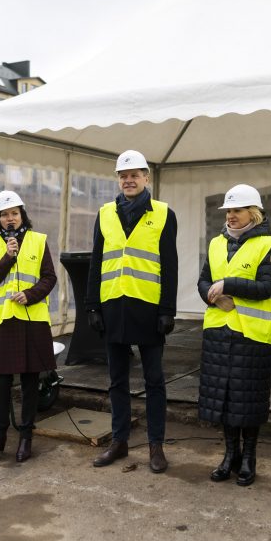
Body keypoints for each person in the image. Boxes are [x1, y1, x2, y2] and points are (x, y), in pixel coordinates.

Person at [85, 149, 178, 473]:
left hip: (148, 310)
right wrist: (92, 305)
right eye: (123, 175)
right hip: (113, 308)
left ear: (146, 177)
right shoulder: (105, 213)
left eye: (135, 174)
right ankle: (119, 442)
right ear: (118, 179)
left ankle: (156, 446)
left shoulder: (164, 213)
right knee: (116, 381)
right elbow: (96, 262)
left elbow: (170, 264)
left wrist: (168, 309)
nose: (129, 180)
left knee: (154, 381)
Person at [198, 184, 271, 487]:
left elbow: (265, 287)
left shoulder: (267, 244)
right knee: (224, 398)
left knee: (248, 400)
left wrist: (228, 284)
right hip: (219, 332)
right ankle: (230, 455)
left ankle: (249, 457)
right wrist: (214, 297)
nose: (230, 216)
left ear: (253, 213)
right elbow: (203, 281)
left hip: (252, 335)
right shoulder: (216, 244)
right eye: (228, 211)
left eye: (237, 210)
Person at [0, 190, 57, 464]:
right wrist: (8, 257)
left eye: (14, 213)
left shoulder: (38, 241)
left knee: (30, 382)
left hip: (32, 320)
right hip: (2, 320)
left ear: (22, 215)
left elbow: (50, 277)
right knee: (1, 382)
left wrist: (31, 294)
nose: (10, 218)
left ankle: (26, 437)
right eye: (4, 214)